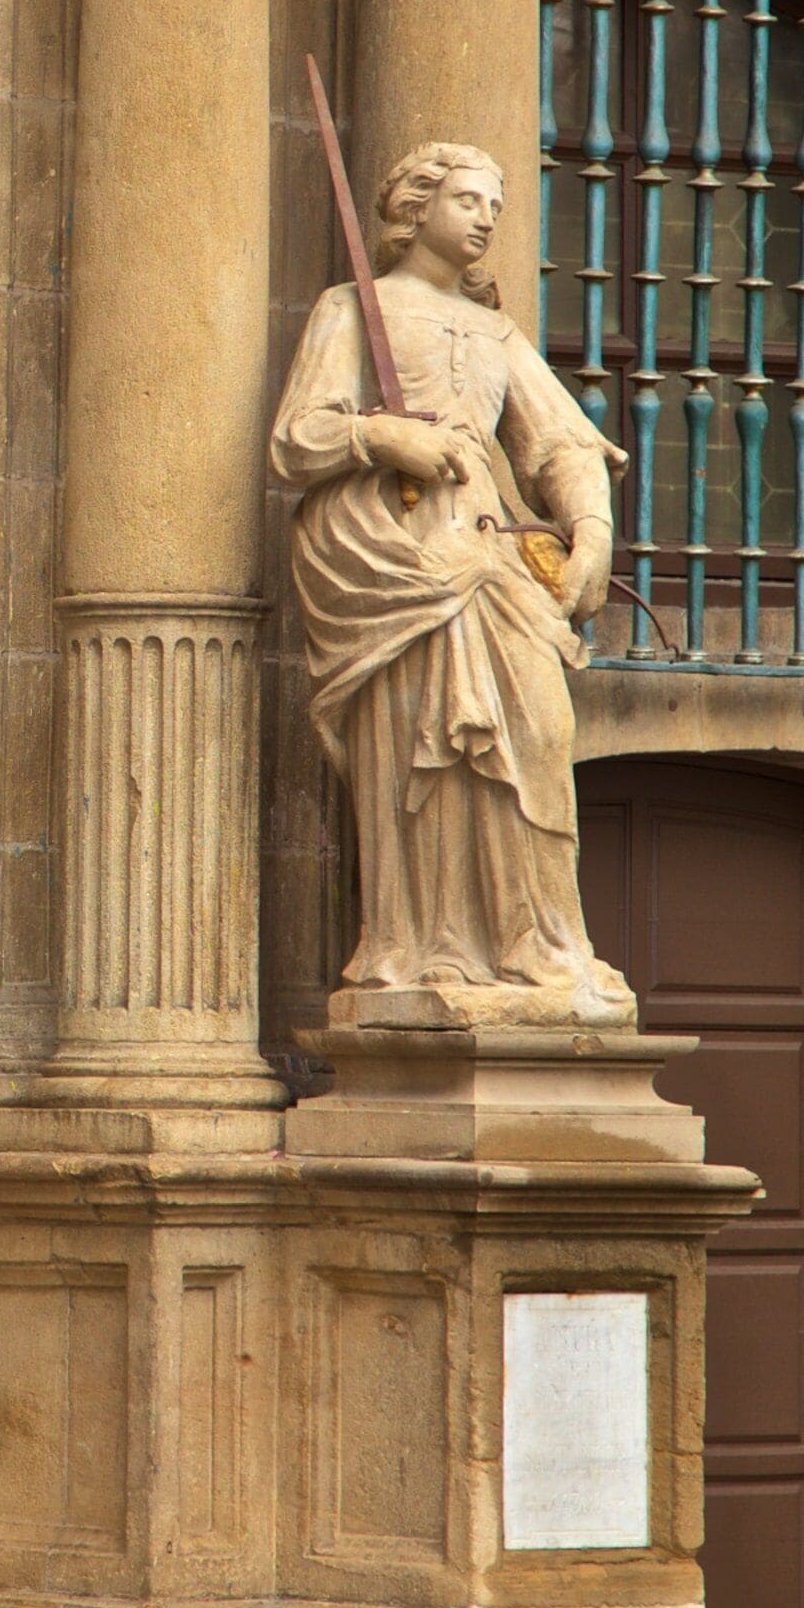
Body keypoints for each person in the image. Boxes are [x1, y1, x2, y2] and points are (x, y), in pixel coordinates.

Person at [270, 140, 634, 1023]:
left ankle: (542, 946)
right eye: (468, 201)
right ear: (416, 207)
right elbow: (295, 439)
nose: (485, 220)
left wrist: (590, 527)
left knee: (539, 735)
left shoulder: (495, 332)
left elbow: (559, 444)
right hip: (400, 560)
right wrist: (379, 437)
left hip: (486, 556)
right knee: (422, 755)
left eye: (494, 207)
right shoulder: (352, 308)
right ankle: (424, 950)